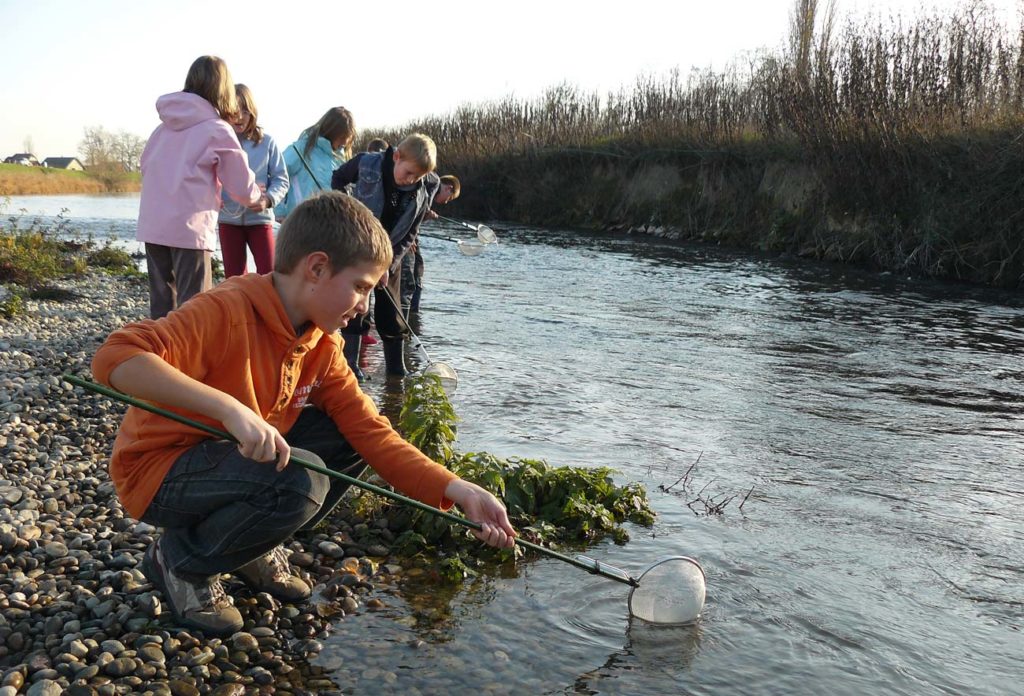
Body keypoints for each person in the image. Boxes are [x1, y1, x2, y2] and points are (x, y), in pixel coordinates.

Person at [91, 191, 516, 637]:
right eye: (361, 287)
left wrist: (459, 489)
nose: (364, 306)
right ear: (316, 268)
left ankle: (246, 546)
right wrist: (228, 409)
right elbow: (115, 356)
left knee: (345, 438)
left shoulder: (322, 345)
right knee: (300, 478)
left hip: (231, 467)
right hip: (158, 474)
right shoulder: (225, 310)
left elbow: (372, 432)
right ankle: (182, 562)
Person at [137, 55, 262, 319]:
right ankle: (188, 360)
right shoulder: (216, 129)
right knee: (194, 309)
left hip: (154, 224)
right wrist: (256, 197)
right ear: (223, 89)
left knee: (162, 306)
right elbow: (240, 184)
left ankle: (160, 355)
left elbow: (146, 167)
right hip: (189, 229)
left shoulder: (162, 128)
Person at [331, 133, 439, 378]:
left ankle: (396, 369)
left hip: (391, 252)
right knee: (356, 306)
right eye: (409, 173)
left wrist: (389, 263)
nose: (411, 180)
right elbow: (338, 178)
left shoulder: (428, 184)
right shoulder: (366, 162)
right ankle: (350, 366)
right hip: (360, 247)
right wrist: (347, 210)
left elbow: (412, 231)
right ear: (397, 157)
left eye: (418, 177)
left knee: (391, 312)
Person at [217, 84, 289, 276]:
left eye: (245, 111)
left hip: (260, 219)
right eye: (235, 111)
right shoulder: (218, 142)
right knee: (234, 277)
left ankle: (268, 307)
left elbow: (281, 179)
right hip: (228, 218)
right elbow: (209, 176)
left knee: (269, 273)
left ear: (253, 113)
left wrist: (268, 200)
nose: (240, 116)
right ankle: (240, 307)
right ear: (225, 112)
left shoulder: (267, 142)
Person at [275, 107, 355, 220]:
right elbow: (276, 176)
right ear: (332, 131)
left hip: (333, 223)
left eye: (347, 138)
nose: (344, 142)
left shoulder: (341, 157)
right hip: (301, 221)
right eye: (342, 137)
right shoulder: (301, 149)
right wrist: (279, 212)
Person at [402, 174, 461, 314]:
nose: (446, 202)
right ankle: (410, 317)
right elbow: (406, 215)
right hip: (406, 239)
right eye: (450, 198)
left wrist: (425, 217)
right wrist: (407, 239)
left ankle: (413, 315)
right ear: (448, 188)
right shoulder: (426, 189)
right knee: (410, 282)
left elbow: (415, 218)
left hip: (410, 237)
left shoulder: (428, 191)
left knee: (417, 275)